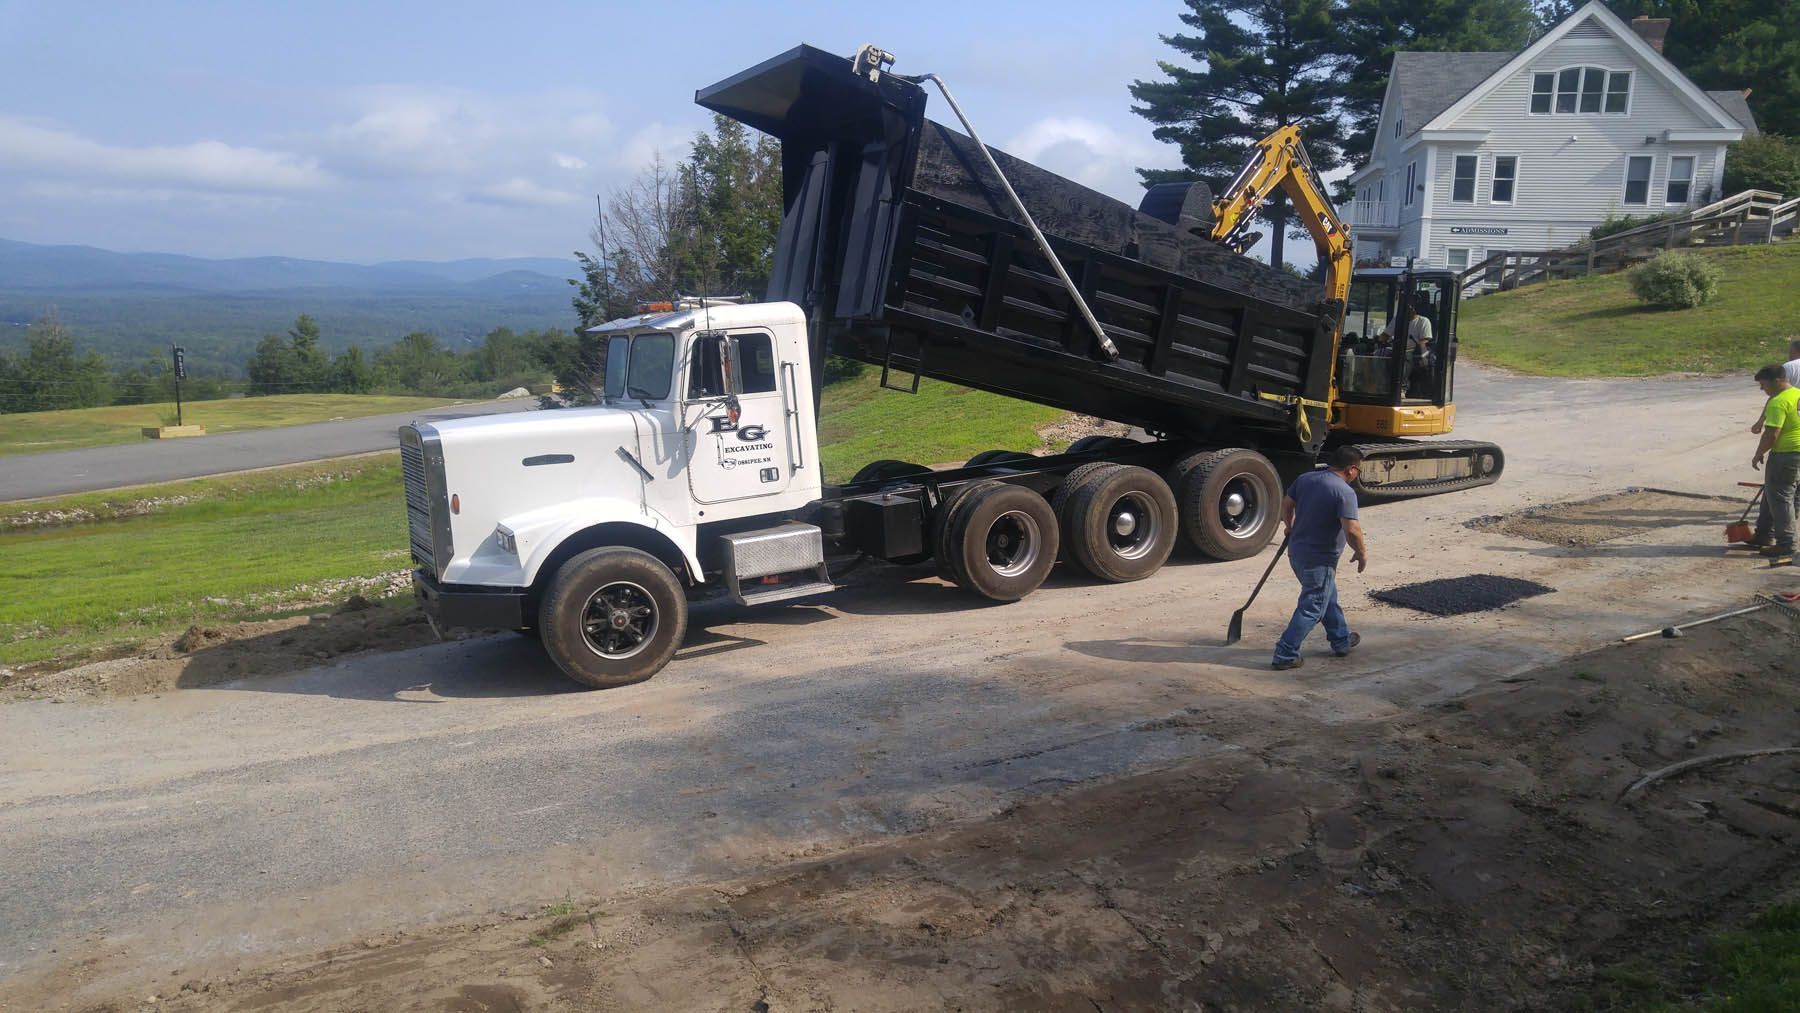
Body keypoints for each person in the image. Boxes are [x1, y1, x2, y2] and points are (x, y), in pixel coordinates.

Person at [1272, 446, 1368, 670]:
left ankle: (1341, 640)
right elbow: (1352, 529)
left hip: (1297, 553)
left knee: (1327, 597)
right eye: (1358, 470)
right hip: (1319, 559)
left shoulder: (1306, 479)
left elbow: (1286, 504)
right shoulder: (1344, 492)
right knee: (1313, 606)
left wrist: (1290, 526)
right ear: (1351, 469)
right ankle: (1285, 654)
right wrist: (1361, 552)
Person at [1750, 363, 1800, 566]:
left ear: (1777, 381)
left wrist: (1758, 453)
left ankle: (1786, 544)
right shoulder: (1796, 394)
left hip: (1785, 454)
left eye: (1763, 385)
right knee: (1773, 493)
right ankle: (1764, 534)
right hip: (1797, 452)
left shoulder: (1778, 402)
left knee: (1781, 498)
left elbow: (1772, 433)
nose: (1762, 389)